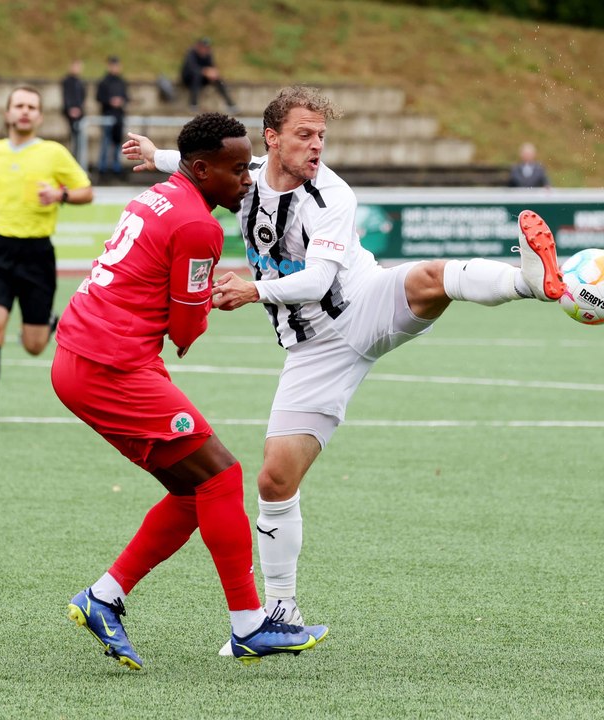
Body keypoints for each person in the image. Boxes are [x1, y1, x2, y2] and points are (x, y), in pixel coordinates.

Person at [122, 85, 568, 654]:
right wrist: (152, 154)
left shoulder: (332, 194)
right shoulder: (248, 174)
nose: (316, 147)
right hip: (314, 351)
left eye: (322, 137)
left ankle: (527, 281)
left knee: (431, 278)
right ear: (272, 139)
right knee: (274, 480)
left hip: (364, 301)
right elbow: (197, 166)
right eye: (304, 136)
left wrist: (252, 289)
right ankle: (280, 610)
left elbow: (316, 281)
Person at [52, 112, 328, 668]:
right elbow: (184, 331)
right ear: (201, 170)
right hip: (113, 366)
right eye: (235, 170)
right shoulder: (199, 226)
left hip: (84, 354)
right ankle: (251, 625)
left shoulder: (161, 194)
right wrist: (219, 298)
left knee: (193, 489)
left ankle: (104, 598)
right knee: (222, 474)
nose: (247, 179)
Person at [0, 86, 93, 431]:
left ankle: (47, 320)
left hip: (38, 254)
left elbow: (86, 191)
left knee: (35, 346)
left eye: (31, 107)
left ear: (39, 116)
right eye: (19, 106)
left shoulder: (53, 153)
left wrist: (61, 194)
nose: (24, 111)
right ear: (8, 113)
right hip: (1, 252)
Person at [180, 37, 238, 114]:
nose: (205, 49)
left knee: (217, 79)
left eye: (207, 47)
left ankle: (230, 104)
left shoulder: (208, 54)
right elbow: (192, 68)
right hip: (189, 78)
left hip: (202, 78)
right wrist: (205, 71)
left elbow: (212, 66)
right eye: (203, 47)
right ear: (198, 46)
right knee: (196, 76)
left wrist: (213, 73)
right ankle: (193, 104)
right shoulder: (191, 53)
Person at [95, 56, 128, 175]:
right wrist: (110, 101)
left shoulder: (121, 81)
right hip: (107, 116)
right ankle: (102, 167)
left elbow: (126, 96)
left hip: (119, 117)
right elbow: (99, 97)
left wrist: (121, 101)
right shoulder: (104, 82)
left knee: (118, 143)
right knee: (105, 142)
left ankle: (116, 166)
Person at [61, 59, 87, 156]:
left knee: (78, 139)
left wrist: (80, 109)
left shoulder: (80, 81)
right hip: (70, 114)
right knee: (73, 138)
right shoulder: (67, 81)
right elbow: (66, 96)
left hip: (80, 113)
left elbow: (83, 97)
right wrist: (71, 109)